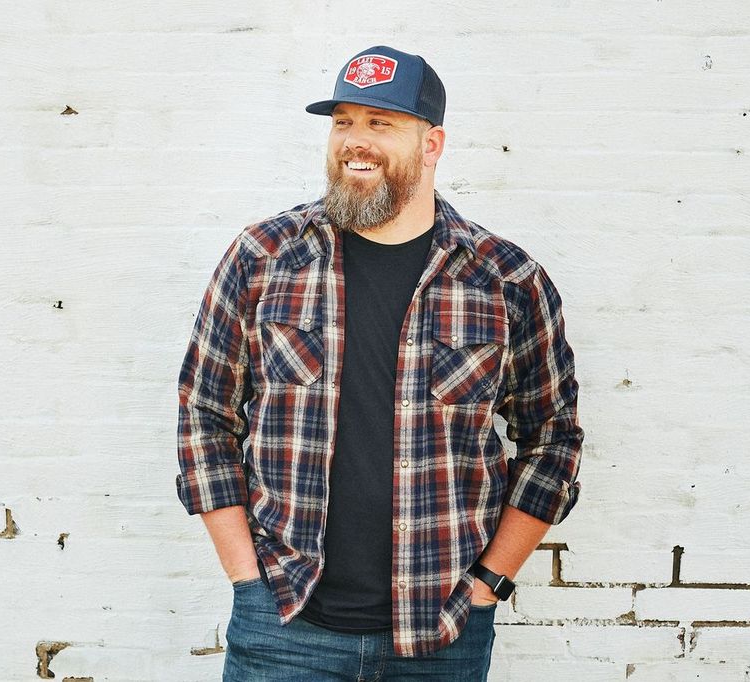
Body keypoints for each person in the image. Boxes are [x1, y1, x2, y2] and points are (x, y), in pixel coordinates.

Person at [175, 45, 584, 681]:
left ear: (432, 143)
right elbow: (205, 416)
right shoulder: (263, 258)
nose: (355, 141)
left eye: (381, 122)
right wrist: (246, 578)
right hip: (284, 623)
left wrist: (488, 585)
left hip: (442, 632)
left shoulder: (503, 279)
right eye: (343, 121)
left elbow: (552, 439)